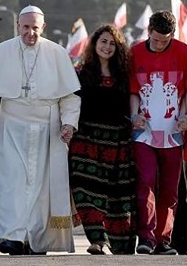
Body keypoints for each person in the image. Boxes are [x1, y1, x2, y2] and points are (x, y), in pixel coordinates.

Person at [0, 5, 81, 255]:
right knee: (12, 183)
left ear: (44, 27)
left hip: (47, 128)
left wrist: (68, 123)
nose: (31, 33)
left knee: (41, 188)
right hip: (11, 126)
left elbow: (70, 97)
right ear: (18, 26)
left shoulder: (58, 53)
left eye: (36, 28)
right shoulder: (0, 53)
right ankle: (12, 237)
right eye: (26, 27)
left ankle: (36, 238)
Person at [129, 10, 187, 255]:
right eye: (156, 39)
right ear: (148, 32)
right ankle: (145, 238)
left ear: (173, 36)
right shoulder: (135, 53)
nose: (159, 45)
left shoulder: (184, 53)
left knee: (169, 189)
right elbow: (134, 91)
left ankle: (163, 240)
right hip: (144, 132)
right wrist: (135, 115)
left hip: (173, 133)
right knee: (145, 183)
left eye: (165, 41)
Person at [68, 24, 137, 255]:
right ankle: (97, 240)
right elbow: (69, 105)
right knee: (85, 191)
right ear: (94, 44)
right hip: (85, 142)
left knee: (118, 196)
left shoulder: (125, 75)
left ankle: (121, 245)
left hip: (118, 142)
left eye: (112, 43)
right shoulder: (80, 72)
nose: (107, 47)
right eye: (103, 42)